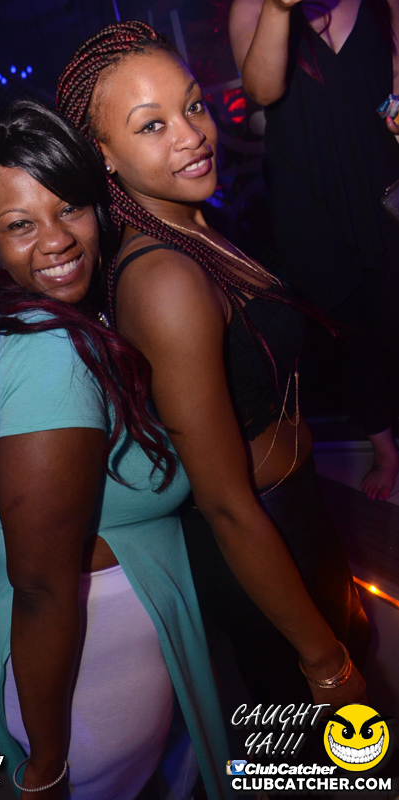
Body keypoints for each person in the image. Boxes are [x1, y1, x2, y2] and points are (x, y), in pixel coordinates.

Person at [57, 21, 371, 716]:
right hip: (262, 544)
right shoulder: (163, 279)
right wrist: (322, 661)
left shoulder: (190, 229)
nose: (192, 134)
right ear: (102, 155)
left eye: (193, 105)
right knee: (324, 751)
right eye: (151, 125)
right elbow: (224, 504)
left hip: (292, 522)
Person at [0, 99, 233, 800]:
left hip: (94, 650)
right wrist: (46, 770)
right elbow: (43, 587)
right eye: (20, 225)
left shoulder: (39, 317)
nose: (56, 241)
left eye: (68, 208)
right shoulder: (53, 354)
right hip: (89, 673)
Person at [229, 0, 399, 500]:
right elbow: (262, 90)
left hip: (384, 185)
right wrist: (279, 8)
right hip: (310, 202)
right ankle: (385, 451)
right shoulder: (255, 6)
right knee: (350, 336)